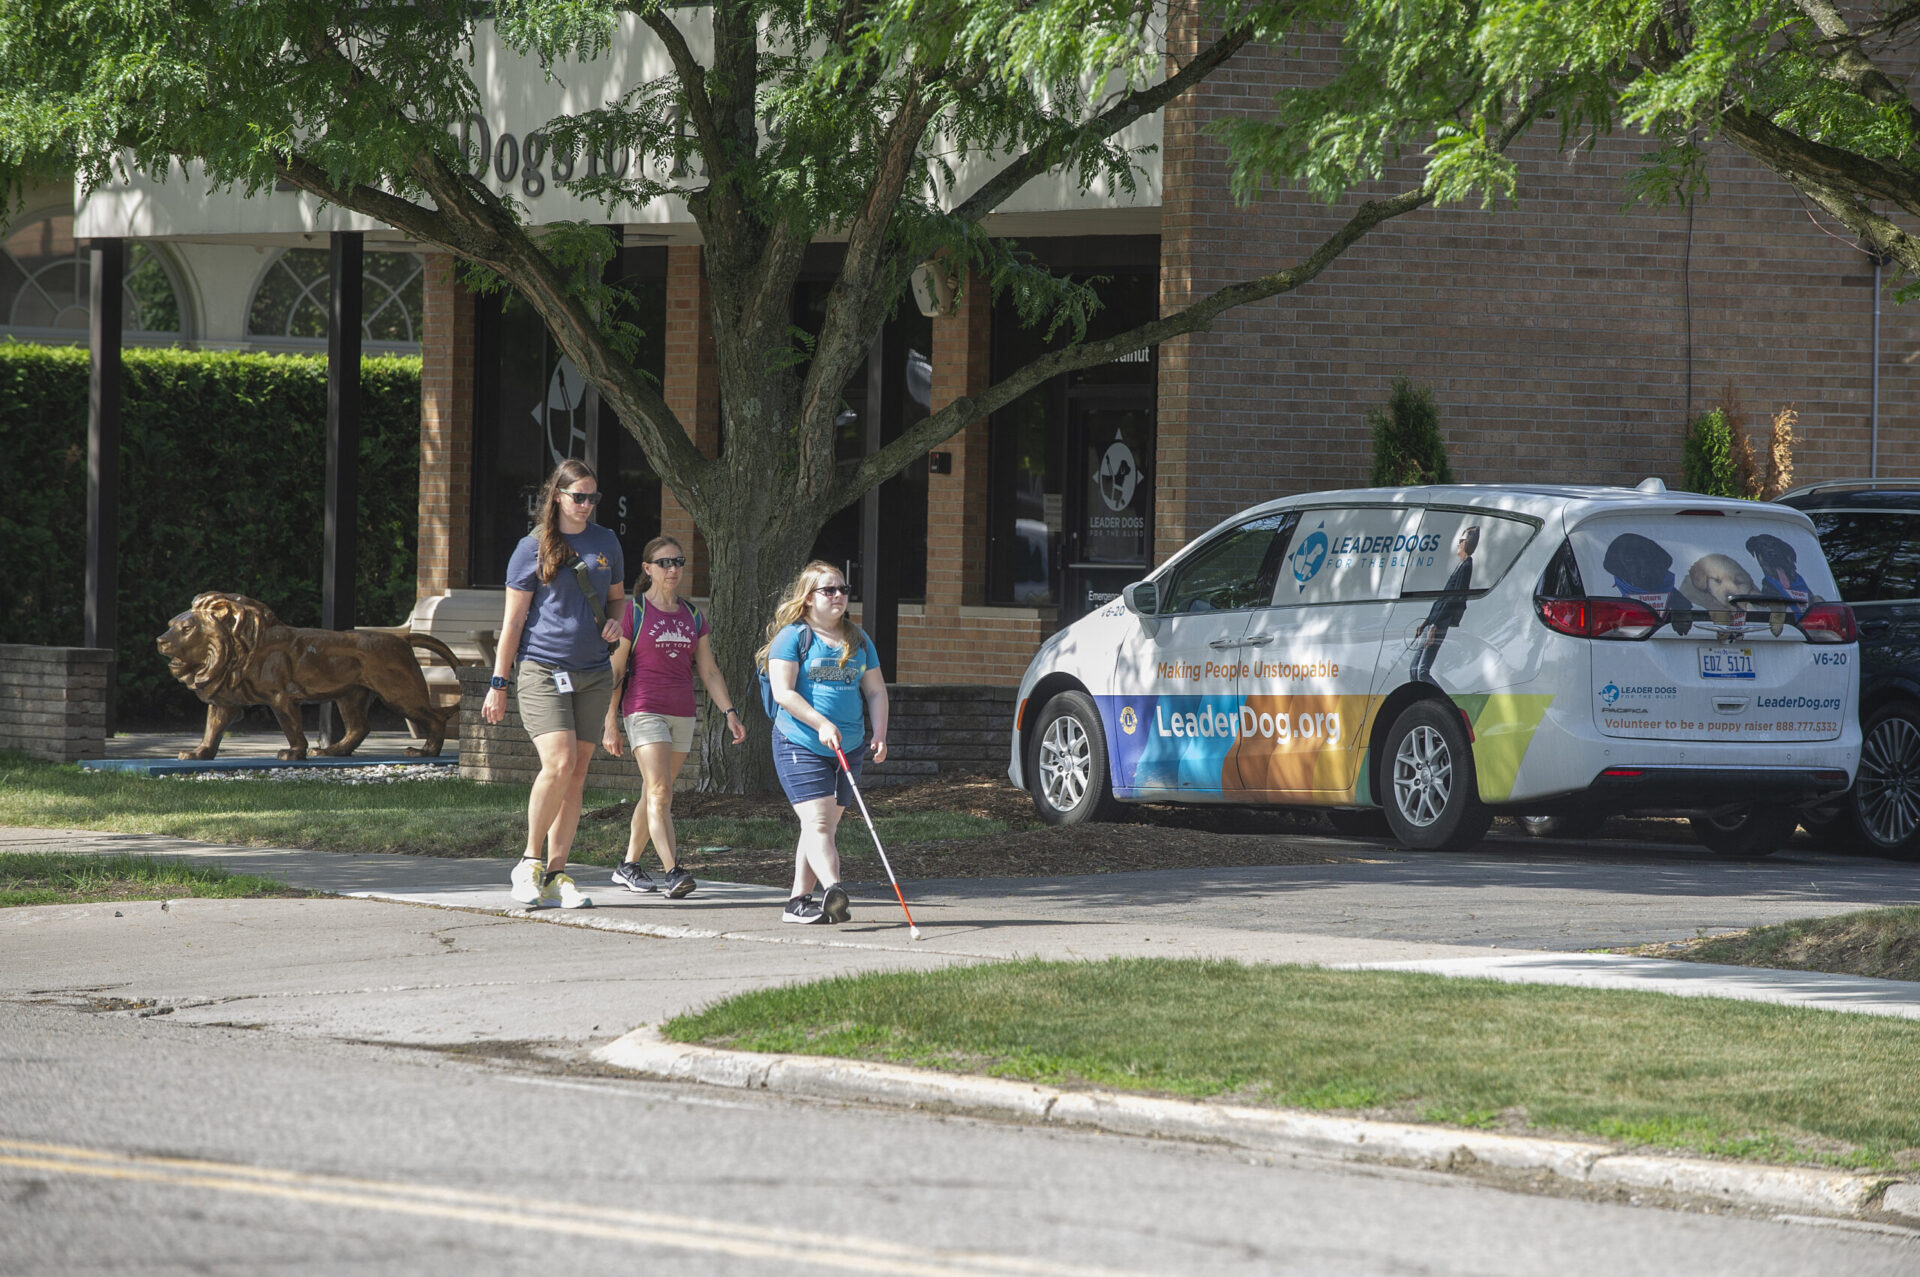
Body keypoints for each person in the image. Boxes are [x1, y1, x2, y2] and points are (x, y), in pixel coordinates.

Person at [482, 459, 624, 910]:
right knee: (559, 762)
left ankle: (558, 873)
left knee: (578, 773)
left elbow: (619, 602)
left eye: (592, 498)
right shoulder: (533, 546)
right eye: (578, 496)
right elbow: (513, 620)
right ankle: (528, 862)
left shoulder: (607, 542)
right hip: (542, 668)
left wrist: (617, 626)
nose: (586, 505)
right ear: (557, 496)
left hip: (594, 670)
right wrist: (498, 682)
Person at [601, 536, 747, 897]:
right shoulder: (633, 613)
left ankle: (628, 866)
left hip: (682, 712)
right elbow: (615, 671)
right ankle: (673, 872)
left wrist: (729, 711)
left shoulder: (692, 614)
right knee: (661, 791)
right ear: (648, 569)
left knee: (654, 793)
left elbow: (709, 670)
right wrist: (609, 722)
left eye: (678, 562)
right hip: (643, 708)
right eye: (664, 563)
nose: (673, 569)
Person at [759, 561, 889, 925]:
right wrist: (820, 723)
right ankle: (835, 890)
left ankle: (798, 902)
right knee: (817, 823)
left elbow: (876, 690)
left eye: (843, 590)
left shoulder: (858, 639)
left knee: (821, 829)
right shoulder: (794, 637)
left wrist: (879, 733)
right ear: (808, 597)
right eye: (828, 590)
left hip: (848, 747)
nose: (838, 596)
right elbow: (784, 693)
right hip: (800, 742)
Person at [1410, 525, 1478, 686]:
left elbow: (1454, 599)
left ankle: (1442, 700)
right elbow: (1442, 599)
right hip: (1433, 622)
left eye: (1461, 540)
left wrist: (1434, 626)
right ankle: (1420, 701)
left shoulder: (1467, 566)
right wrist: (1425, 623)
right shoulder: (1460, 565)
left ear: (1467, 543)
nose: (1458, 544)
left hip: (1439, 624)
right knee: (1414, 669)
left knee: (1422, 671)